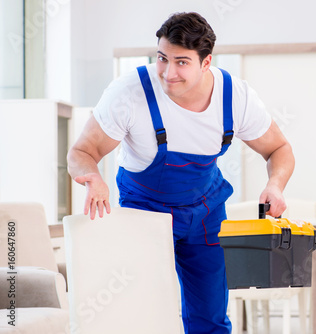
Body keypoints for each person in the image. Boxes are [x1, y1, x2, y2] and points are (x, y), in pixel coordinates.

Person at [67, 11, 294, 334]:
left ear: (206, 62)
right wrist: (93, 177)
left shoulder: (235, 97)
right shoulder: (130, 93)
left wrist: (275, 184)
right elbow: (81, 152)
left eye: (182, 62)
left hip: (205, 213)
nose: (168, 73)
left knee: (210, 315)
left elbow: (279, 149)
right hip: (144, 211)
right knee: (143, 310)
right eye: (162, 58)